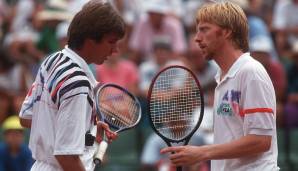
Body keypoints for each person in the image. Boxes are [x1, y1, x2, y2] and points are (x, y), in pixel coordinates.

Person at [160, 2, 279, 171]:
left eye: (204, 29)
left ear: (226, 32)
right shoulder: (222, 77)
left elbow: (261, 141)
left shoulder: (251, 72)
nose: (197, 38)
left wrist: (202, 152)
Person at [18, 1, 126, 171]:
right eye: (111, 42)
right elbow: (66, 158)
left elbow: (27, 118)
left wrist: (84, 131)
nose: (115, 50)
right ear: (91, 40)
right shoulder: (78, 83)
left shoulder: (52, 60)